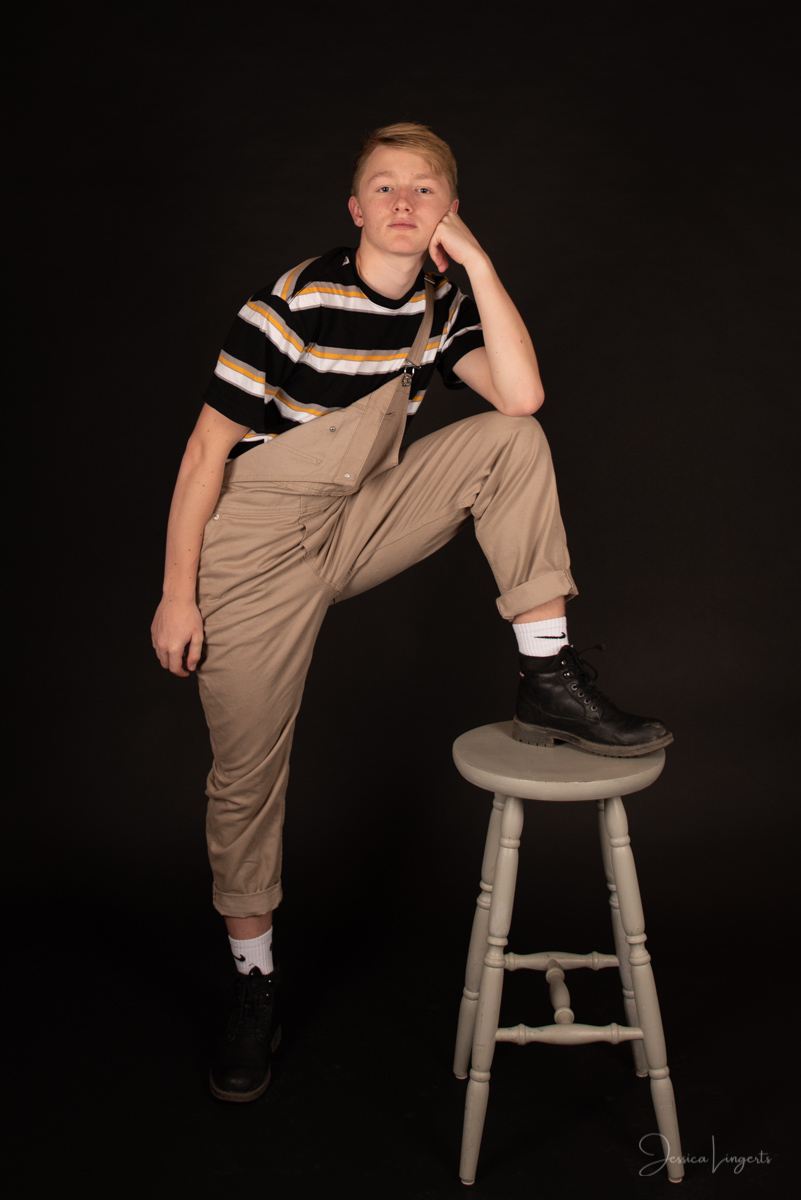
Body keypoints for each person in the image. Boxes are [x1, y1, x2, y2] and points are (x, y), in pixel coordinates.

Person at [151, 123, 672, 1103]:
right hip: (255, 547)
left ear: (448, 211)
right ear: (355, 208)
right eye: (384, 188)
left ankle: (547, 674)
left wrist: (477, 264)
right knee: (246, 777)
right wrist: (179, 595)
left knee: (511, 443)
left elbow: (521, 395)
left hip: (356, 517)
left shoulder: (442, 302)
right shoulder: (291, 303)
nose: (402, 203)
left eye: (423, 191)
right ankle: (255, 986)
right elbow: (204, 454)